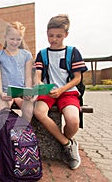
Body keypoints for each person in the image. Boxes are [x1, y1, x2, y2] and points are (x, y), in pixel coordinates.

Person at [34, 14, 88, 170]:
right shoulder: (42, 54)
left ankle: (68, 140)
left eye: (58, 36)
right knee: (39, 112)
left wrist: (62, 89)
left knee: (73, 121)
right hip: (48, 91)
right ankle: (67, 144)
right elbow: (38, 75)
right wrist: (41, 84)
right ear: (46, 33)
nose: (54, 39)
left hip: (68, 91)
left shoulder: (73, 52)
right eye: (50, 35)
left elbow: (77, 78)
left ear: (66, 35)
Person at [0, 21, 34, 121]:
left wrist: (28, 91)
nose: (15, 42)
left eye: (18, 39)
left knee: (28, 112)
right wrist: (1, 92)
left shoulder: (26, 55)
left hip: (22, 93)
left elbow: (28, 76)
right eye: (12, 39)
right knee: (4, 113)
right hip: (5, 93)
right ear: (5, 37)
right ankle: (8, 134)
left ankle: (22, 134)